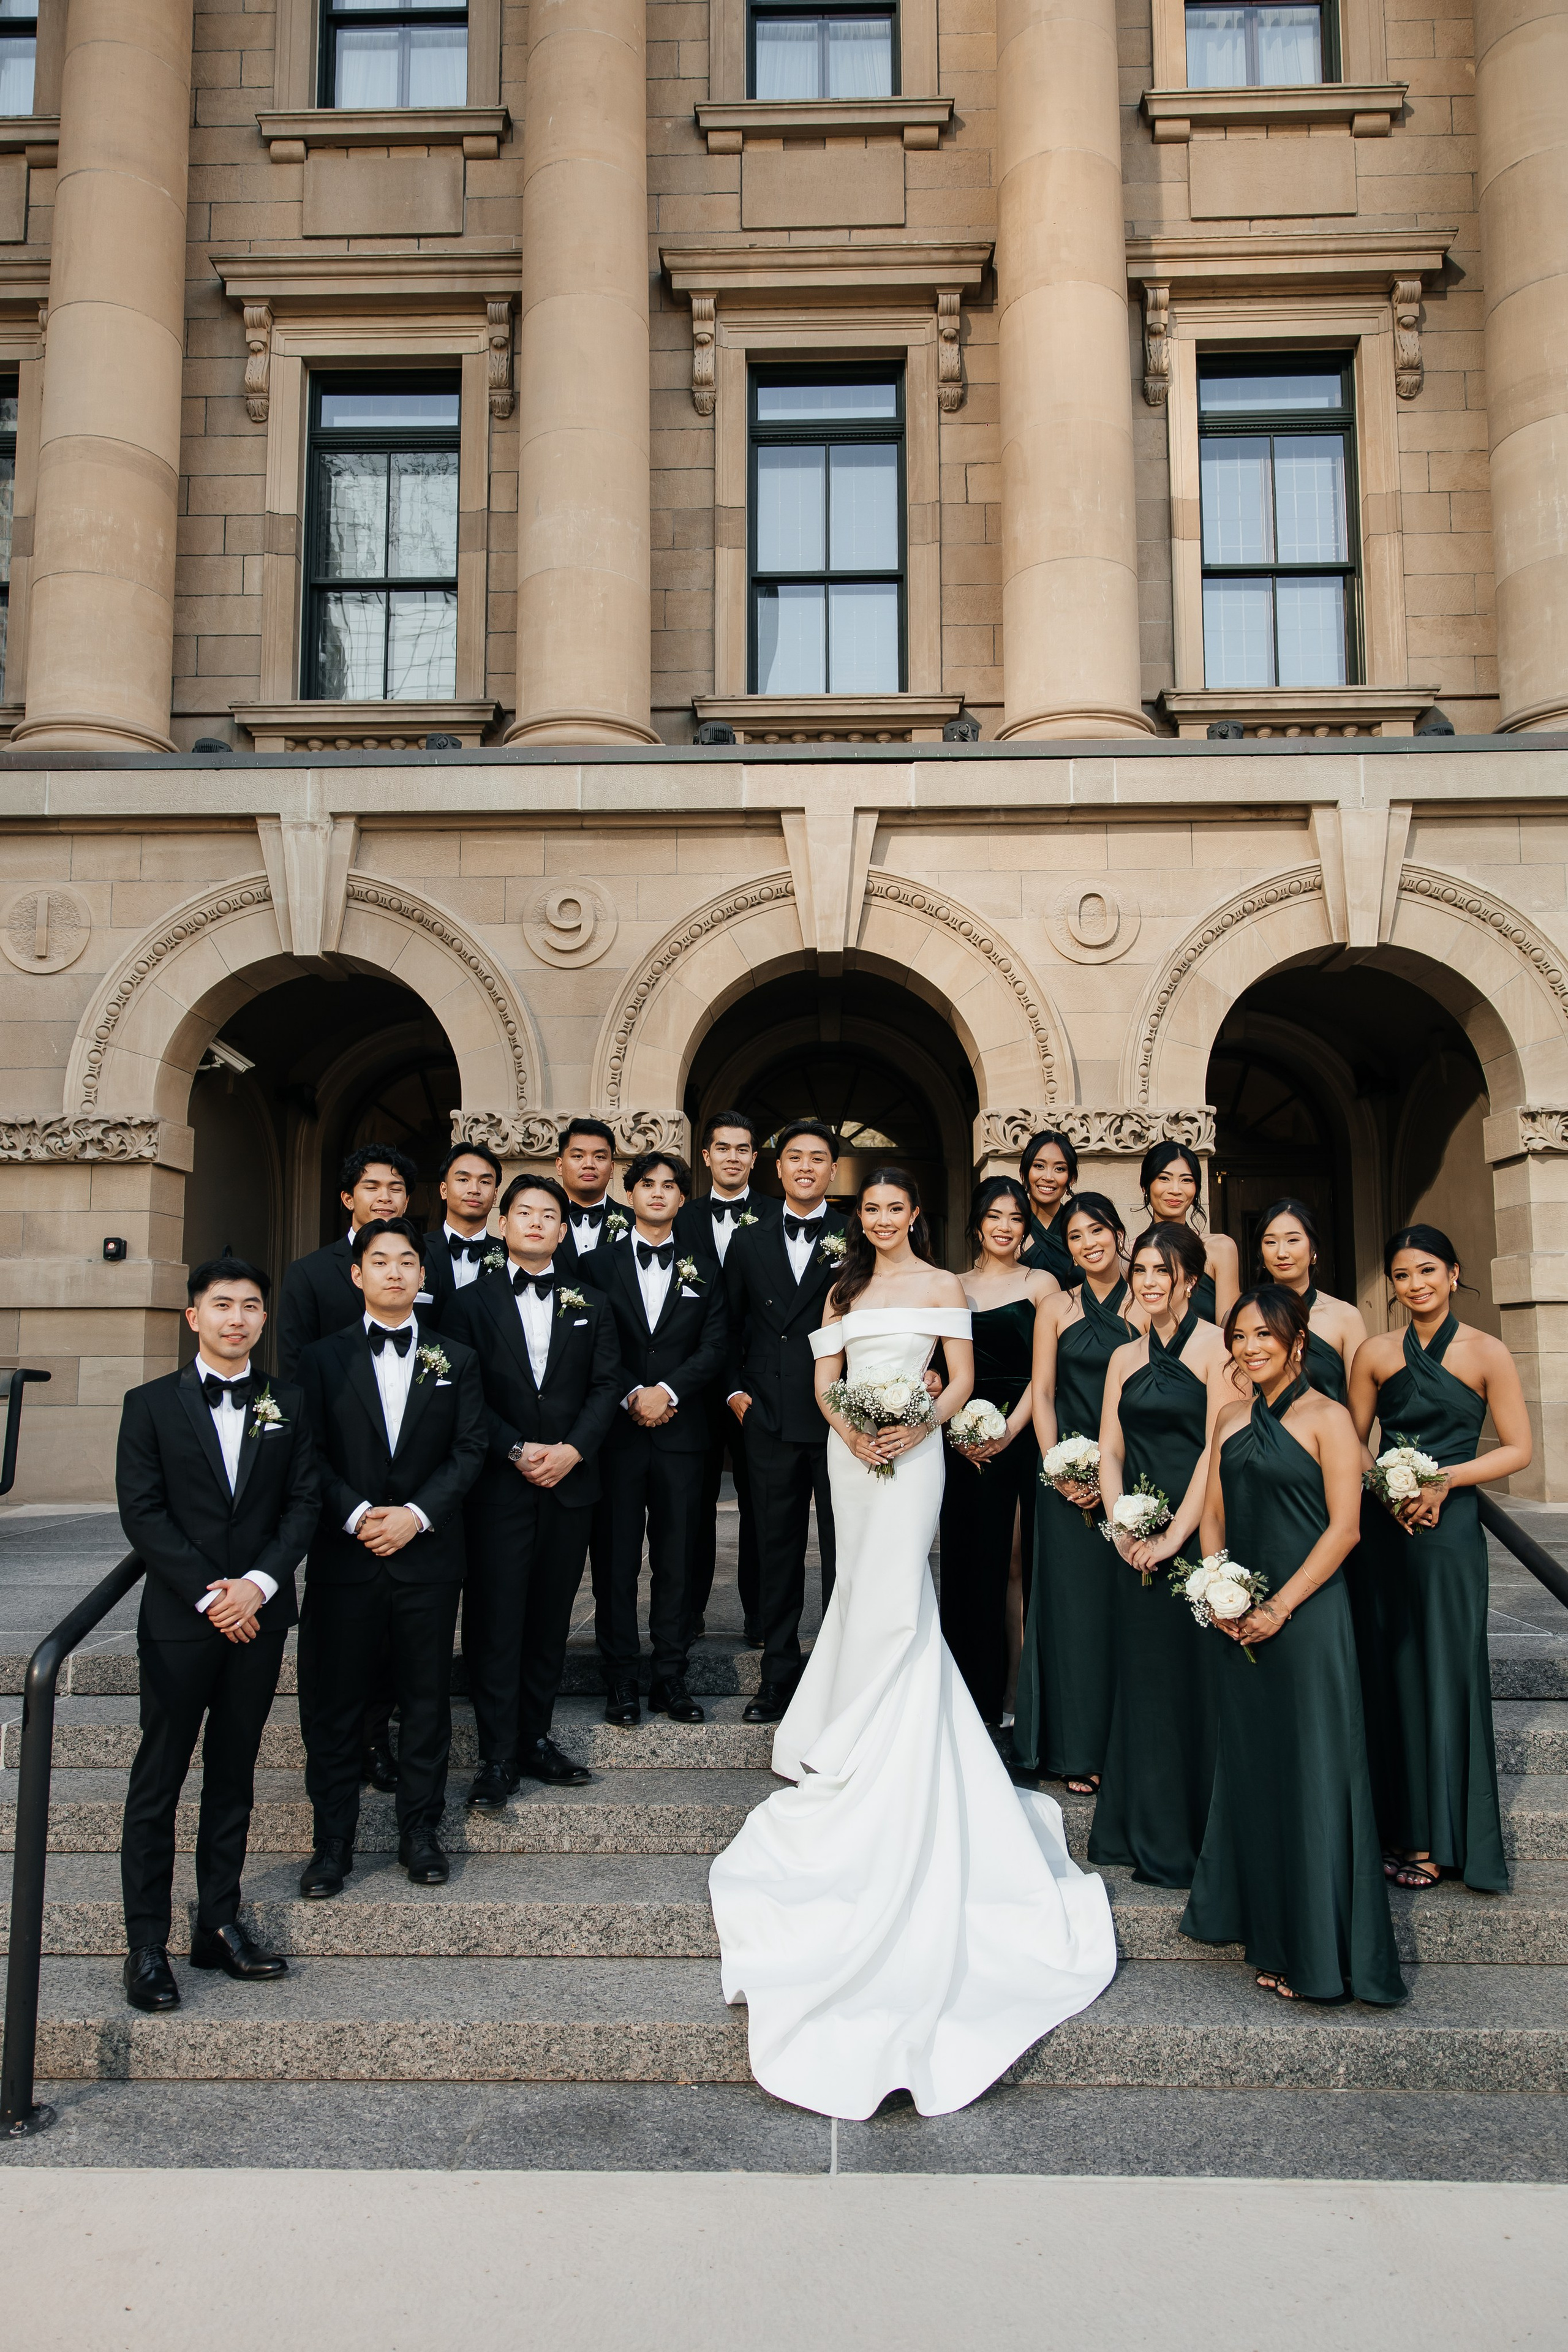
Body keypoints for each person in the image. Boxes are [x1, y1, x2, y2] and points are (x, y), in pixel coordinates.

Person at [709, 1167, 1117, 2119]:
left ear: (917, 1215)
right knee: (860, 1585)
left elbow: (963, 1378)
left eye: (896, 1207)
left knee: (900, 1590)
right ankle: (850, 1722)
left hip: (920, 1451)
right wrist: (854, 1433)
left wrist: (914, 1426)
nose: (884, 1219)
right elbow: (823, 1380)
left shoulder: (942, 1286)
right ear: (861, 1219)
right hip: (853, 1456)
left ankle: (895, 1733)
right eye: (873, 1210)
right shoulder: (842, 1288)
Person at [1180, 1286, 1406, 2006]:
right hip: (1240, 1618)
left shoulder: (1329, 1418)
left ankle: (1320, 1953)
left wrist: (1281, 1604)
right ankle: (1270, 1935)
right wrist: (1218, 1587)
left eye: (1263, 1336)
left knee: (1313, 1774)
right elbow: (1212, 1514)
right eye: (1239, 1337)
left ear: (1296, 1343)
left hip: (1308, 1619)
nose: (1249, 1348)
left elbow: (1346, 1528)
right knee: (1258, 1772)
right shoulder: (1227, 1417)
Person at [114, 1257, 320, 2012]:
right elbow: (142, 1512)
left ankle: (219, 1925)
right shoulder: (148, 1405)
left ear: (264, 1319)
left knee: (233, 1773)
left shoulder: (288, 1403)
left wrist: (257, 1586)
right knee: (159, 1780)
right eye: (223, 1304)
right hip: (182, 1621)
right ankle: (146, 1944)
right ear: (194, 1316)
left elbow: (303, 1504)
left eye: (251, 1306)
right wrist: (213, 1595)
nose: (238, 1318)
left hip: (258, 1619)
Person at [295, 1217, 486, 1897]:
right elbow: (308, 1453)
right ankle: (332, 1844)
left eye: (407, 1261)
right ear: (358, 1274)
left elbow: (469, 1448)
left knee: (426, 1702)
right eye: (381, 1261)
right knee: (335, 1706)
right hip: (345, 1559)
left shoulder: (456, 1358)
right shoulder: (319, 1360)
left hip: (427, 1558)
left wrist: (415, 1515)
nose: (395, 1272)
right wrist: (356, 1515)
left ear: (423, 1274)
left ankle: (420, 1832)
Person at [1348, 1224, 1532, 1892]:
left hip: (1449, 1531)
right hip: (1385, 1529)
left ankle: (1445, 1840)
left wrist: (1439, 1481)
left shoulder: (1487, 1352)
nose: (1415, 1284)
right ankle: (1400, 1830)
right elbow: (1351, 1438)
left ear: (1453, 1274)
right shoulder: (1374, 1352)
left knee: (1447, 1676)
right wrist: (1385, 1486)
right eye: (1402, 1275)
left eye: (1427, 1270)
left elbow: (1518, 1449)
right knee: (1391, 1674)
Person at [445, 1174, 623, 1805]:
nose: (537, 1223)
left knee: (550, 1619)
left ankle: (535, 1739)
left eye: (549, 1215)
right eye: (525, 1213)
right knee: (495, 1619)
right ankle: (496, 1756)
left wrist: (573, 1451)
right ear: (504, 1224)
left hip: (569, 1485)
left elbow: (606, 1386)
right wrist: (517, 1450)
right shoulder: (468, 1304)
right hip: (500, 1486)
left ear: (563, 1229)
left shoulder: (592, 1302)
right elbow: (466, 1395)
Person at [276, 1140, 440, 1796]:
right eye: (373, 1187)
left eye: (396, 1187)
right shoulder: (310, 1274)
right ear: (348, 1197)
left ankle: (380, 1737)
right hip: (338, 1493)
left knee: (402, 1643)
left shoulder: (424, 1270)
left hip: (413, 1493)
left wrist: (416, 1506)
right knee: (337, 1642)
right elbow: (294, 1385)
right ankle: (339, 1756)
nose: (385, 1197)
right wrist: (347, 1504)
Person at [1088, 1223, 1235, 1887]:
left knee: (1193, 1678)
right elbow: (1110, 1449)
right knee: (1144, 1678)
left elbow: (1216, 1448)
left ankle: (1196, 1833)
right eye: (1141, 1270)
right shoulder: (1124, 1355)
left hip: (1198, 1531)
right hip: (1134, 1541)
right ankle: (1140, 1826)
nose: (1148, 1282)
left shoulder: (1219, 1349)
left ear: (1191, 1281)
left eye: (1162, 1271)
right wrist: (1121, 1525)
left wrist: (1177, 1537)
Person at [579, 1149, 729, 1727]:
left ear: (682, 1199)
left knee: (677, 1560)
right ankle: (620, 1677)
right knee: (615, 1561)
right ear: (631, 1194)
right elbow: (591, 1344)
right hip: (616, 1435)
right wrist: (631, 1394)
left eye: (670, 1185)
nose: (659, 1193)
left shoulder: (704, 1267)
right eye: (648, 1184)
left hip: (682, 1434)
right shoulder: (596, 1265)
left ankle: (671, 1675)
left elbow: (715, 1346)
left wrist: (666, 1391)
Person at [723, 1119, 849, 1723]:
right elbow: (727, 1321)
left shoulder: (856, 1233)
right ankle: (776, 1676)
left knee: (843, 1550)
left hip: (843, 1418)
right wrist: (734, 1391)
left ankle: (840, 1672)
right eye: (795, 1157)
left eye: (817, 1158)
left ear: (833, 1170)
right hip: (768, 1415)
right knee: (777, 1552)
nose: (805, 1167)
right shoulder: (748, 1239)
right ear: (776, 1169)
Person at [1013, 1192, 1135, 1793]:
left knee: (1127, 1611)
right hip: (1065, 1478)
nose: (1089, 1244)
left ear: (1118, 1233)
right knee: (1073, 1614)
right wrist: (1057, 1465)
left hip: (1134, 1476)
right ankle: (1074, 1747)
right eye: (1076, 1236)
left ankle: (1130, 1748)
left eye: (1098, 1231)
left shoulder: (1146, 1301)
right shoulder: (1056, 1307)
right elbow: (1042, 1392)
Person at [938, 1175, 1058, 1727]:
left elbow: (1045, 1374)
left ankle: (1014, 1692)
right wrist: (956, 1427)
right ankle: (970, 1695)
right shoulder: (951, 1285)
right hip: (963, 1439)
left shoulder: (1041, 1283)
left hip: (1020, 1431)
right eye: (995, 1216)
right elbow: (939, 1366)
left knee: (1014, 1562)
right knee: (968, 1561)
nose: (1005, 1227)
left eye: (1016, 1218)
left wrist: (1008, 1432)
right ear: (977, 1223)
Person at [674, 1109, 781, 1645]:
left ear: (754, 1158)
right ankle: (688, 1612)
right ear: (706, 1155)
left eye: (743, 1149)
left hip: (756, 1381)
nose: (733, 1157)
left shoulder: (778, 1215)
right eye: (723, 1148)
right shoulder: (681, 1218)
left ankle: (761, 1616)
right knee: (693, 1503)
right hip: (693, 1383)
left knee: (761, 1501)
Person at [1256, 1196, 1366, 1403]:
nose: (1282, 1253)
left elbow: (1359, 1406)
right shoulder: (1244, 1315)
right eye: (1271, 1242)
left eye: (1293, 1240)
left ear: (1313, 1249)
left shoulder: (1346, 1317)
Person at [1139, 1139, 1238, 1326]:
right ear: (1145, 1187)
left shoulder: (1220, 1248)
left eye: (1186, 1180)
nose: (1175, 1190)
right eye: (1164, 1178)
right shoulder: (1129, 1253)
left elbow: (1228, 1328)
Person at [420, 1140, 506, 1325]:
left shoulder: (510, 1255)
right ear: (444, 1190)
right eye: (463, 1180)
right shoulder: (416, 1250)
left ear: (495, 1195)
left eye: (485, 1182)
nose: (474, 1190)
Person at [554, 1118, 630, 1272]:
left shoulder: (635, 1222)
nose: (589, 1164)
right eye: (578, 1156)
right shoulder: (541, 1221)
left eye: (599, 1157)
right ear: (560, 1166)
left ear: (612, 1169)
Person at [1018, 1129, 1082, 1289]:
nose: (1048, 1177)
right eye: (1039, 1166)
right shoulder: (1011, 1227)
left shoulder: (1081, 1226)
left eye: (1059, 1169)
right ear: (1024, 1173)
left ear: (1072, 1179)